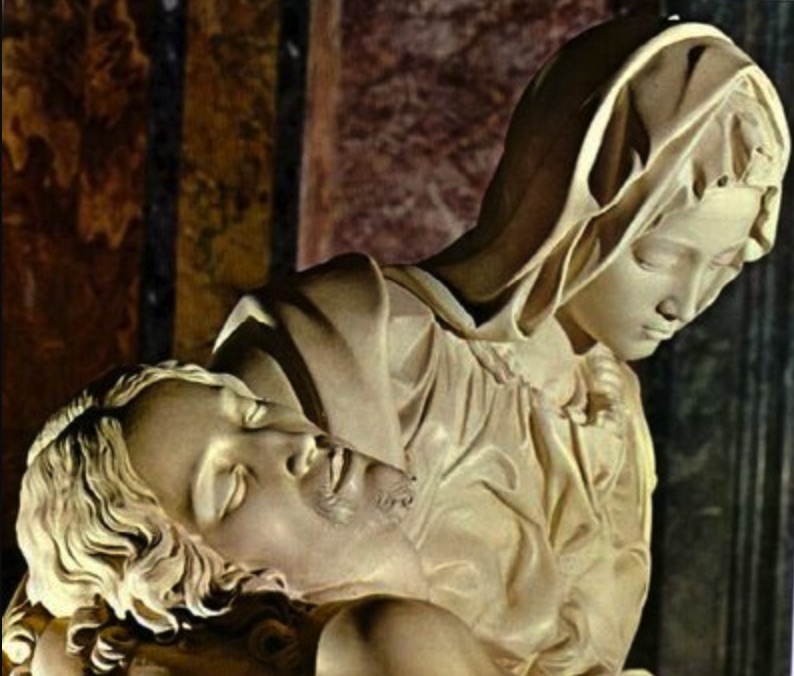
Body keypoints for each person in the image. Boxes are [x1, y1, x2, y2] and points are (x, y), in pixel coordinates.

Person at [210, 16, 790, 675]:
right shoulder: (348, 341)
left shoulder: (616, 422)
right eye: (658, 258)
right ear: (565, 206)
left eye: (722, 268)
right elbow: (199, 608)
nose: (684, 303)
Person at [3, 363, 502, 675]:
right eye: (232, 487)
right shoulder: (379, 640)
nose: (292, 444)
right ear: (203, 590)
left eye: (255, 412)